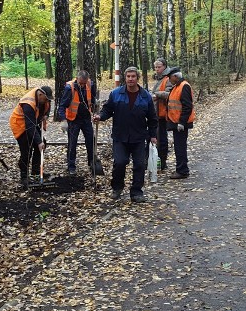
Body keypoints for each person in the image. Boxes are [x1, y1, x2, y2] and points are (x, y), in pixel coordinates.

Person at [93, 66, 157, 203]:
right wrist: (100, 117)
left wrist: (153, 135)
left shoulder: (145, 96)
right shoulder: (116, 94)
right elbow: (108, 110)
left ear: (137, 78)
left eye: (133, 76)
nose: (130, 79)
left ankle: (136, 192)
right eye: (128, 76)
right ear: (125, 78)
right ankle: (117, 188)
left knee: (140, 164)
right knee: (120, 162)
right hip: (120, 136)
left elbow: (152, 118)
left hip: (139, 136)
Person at [57, 70, 101, 175]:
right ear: (77, 79)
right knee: (72, 143)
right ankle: (71, 166)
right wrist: (63, 120)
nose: (82, 85)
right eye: (80, 83)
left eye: (84, 83)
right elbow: (62, 105)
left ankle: (92, 163)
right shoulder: (70, 88)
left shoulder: (90, 85)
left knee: (91, 141)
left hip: (86, 118)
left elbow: (93, 99)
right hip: (73, 120)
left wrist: (96, 107)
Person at [9, 85, 53, 188]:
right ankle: (24, 177)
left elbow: (47, 106)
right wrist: (38, 142)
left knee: (42, 144)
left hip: (32, 123)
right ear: (40, 94)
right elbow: (29, 126)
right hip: (20, 124)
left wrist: (46, 115)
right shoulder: (28, 103)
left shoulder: (44, 99)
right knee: (26, 150)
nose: (47, 101)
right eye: (45, 99)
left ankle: (36, 172)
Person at [165, 70, 195, 180]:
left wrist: (182, 122)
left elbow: (187, 106)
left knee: (180, 147)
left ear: (175, 76)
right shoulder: (177, 86)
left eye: (170, 77)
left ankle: (182, 171)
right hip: (176, 122)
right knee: (179, 147)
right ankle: (181, 169)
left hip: (180, 124)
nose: (169, 80)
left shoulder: (184, 86)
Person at [151, 58, 177, 172]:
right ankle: (158, 161)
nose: (157, 69)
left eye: (159, 67)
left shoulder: (168, 78)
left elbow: (170, 94)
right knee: (156, 138)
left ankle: (162, 162)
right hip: (156, 113)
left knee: (161, 139)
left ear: (164, 66)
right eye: (155, 67)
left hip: (163, 114)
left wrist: (157, 94)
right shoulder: (159, 78)